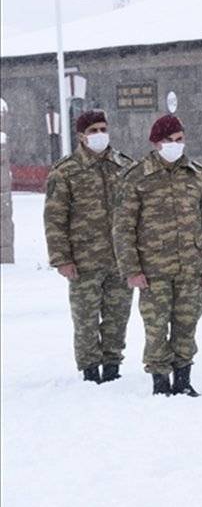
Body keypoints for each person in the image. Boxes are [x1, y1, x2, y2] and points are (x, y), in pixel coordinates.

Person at [113, 114, 202, 396]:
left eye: (179, 139)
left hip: (190, 266)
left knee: (187, 323)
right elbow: (123, 228)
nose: (176, 145)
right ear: (156, 143)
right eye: (169, 141)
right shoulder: (137, 177)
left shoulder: (196, 176)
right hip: (153, 270)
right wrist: (131, 269)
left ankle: (183, 379)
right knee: (156, 326)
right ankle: (160, 382)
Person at [43, 109, 136, 384]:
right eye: (93, 131)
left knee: (117, 316)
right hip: (84, 260)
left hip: (120, 259)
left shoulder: (124, 165)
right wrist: (62, 258)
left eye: (103, 129)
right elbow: (54, 218)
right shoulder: (66, 171)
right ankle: (89, 370)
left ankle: (112, 366)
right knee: (85, 319)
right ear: (81, 136)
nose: (99, 135)